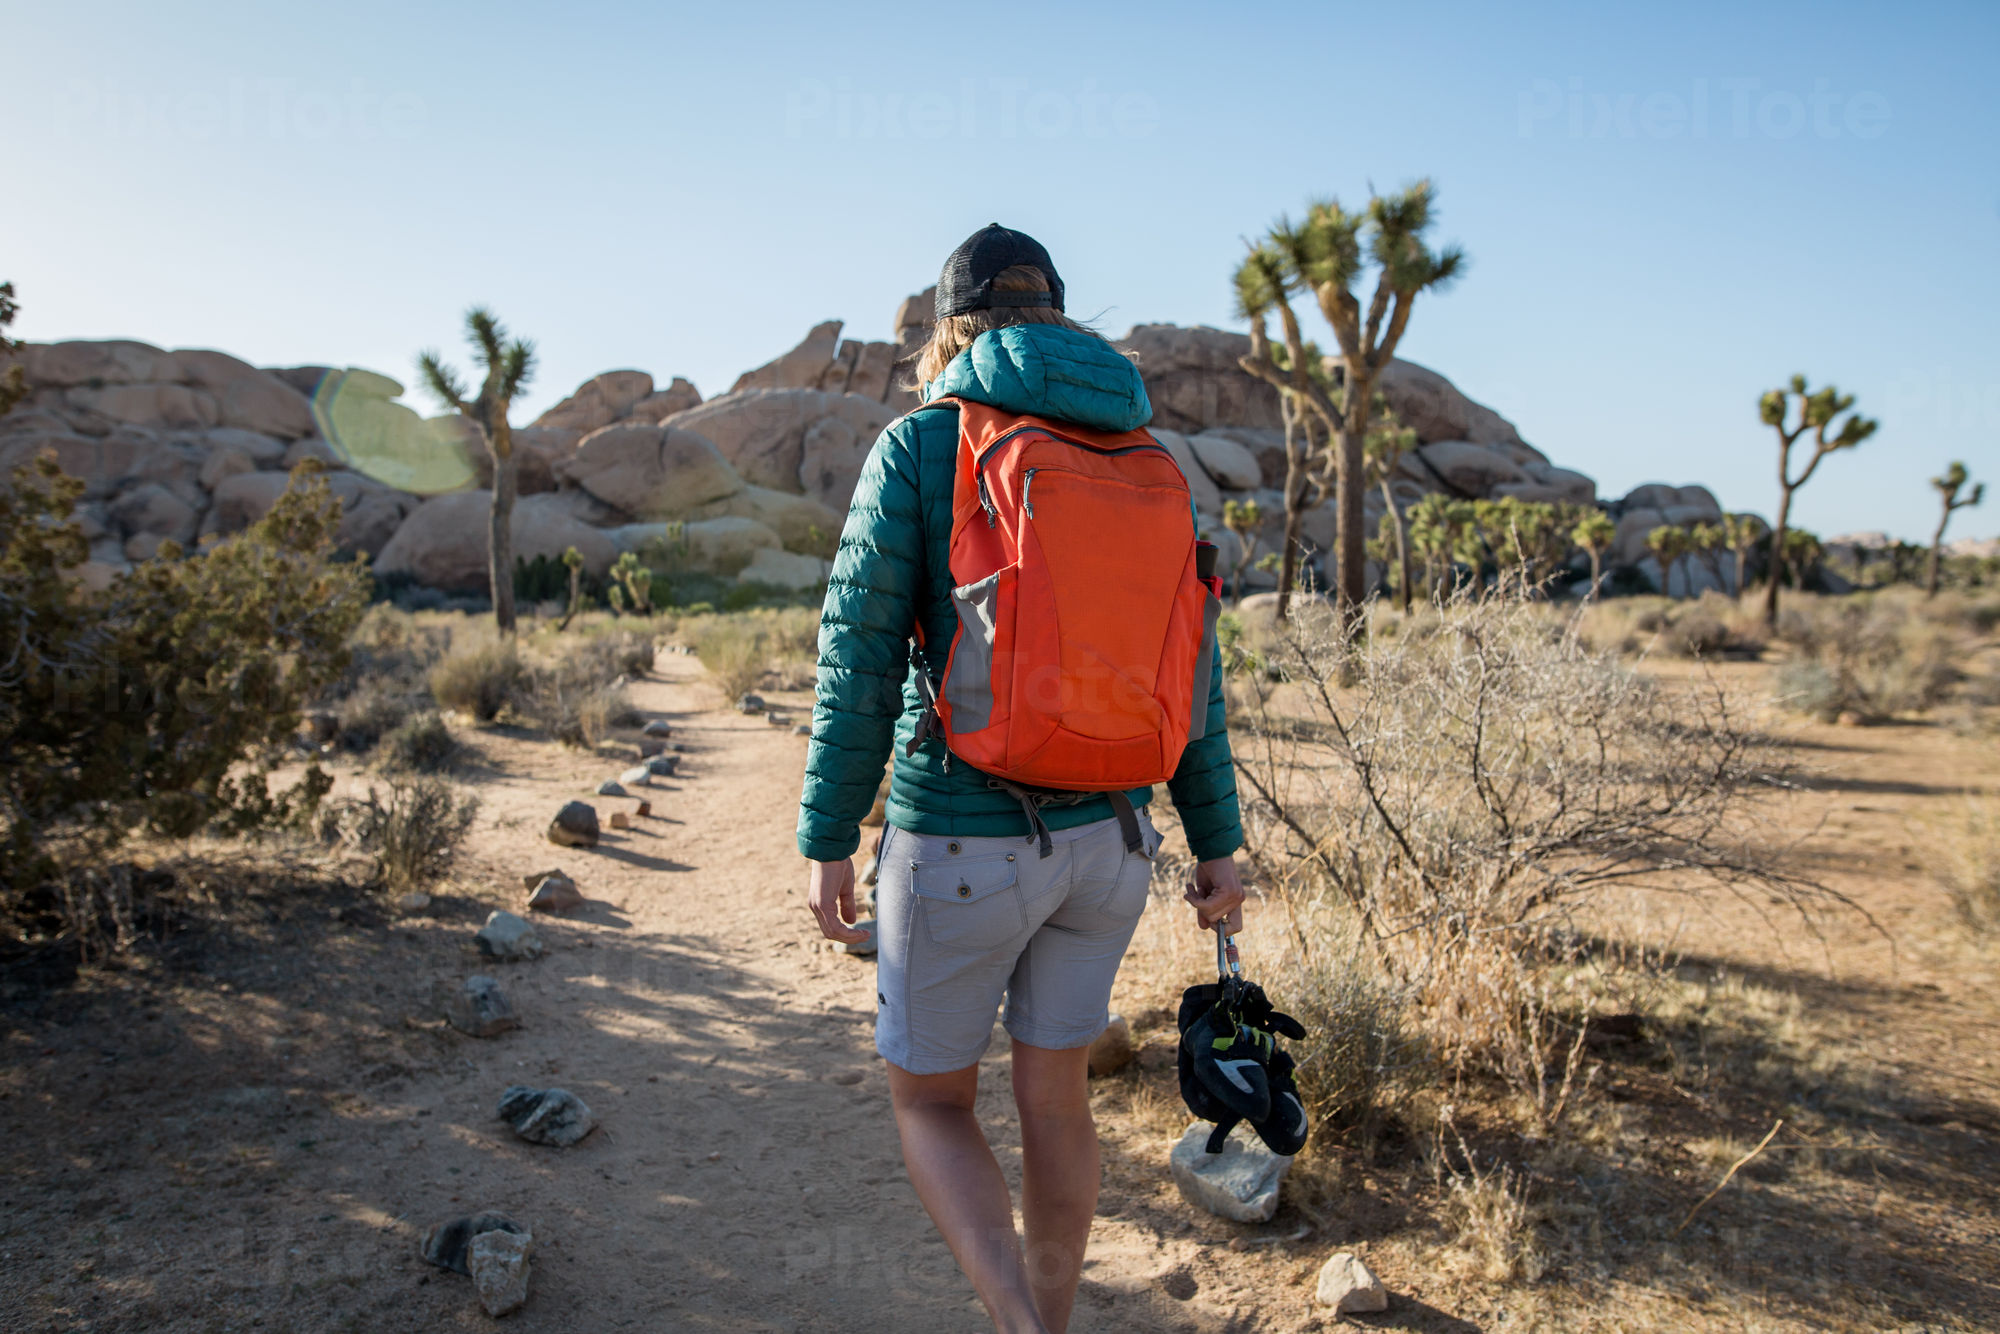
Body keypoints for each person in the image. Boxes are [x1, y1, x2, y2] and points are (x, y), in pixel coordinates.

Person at [797, 223, 1245, 1334]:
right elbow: (1192, 672)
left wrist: (826, 834)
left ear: (948, 325)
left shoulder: (923, 444)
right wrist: (1218, 843)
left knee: (933, 1101)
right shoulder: (1151, 463)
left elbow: (856, 653)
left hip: (957, 839)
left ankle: (1017, 1321)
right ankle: (1054, 1307)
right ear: (1056, 314)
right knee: (1056, 1099)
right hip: (1109, 848)